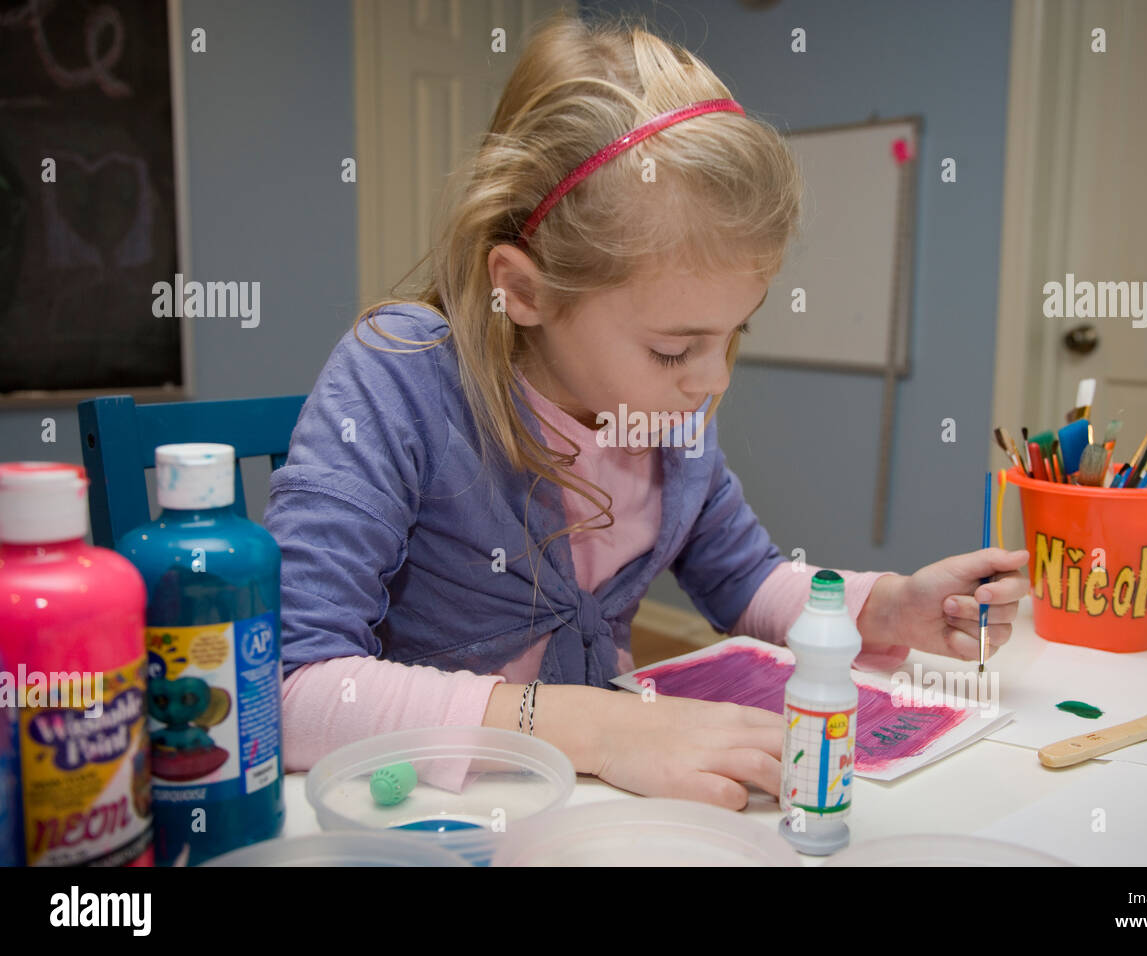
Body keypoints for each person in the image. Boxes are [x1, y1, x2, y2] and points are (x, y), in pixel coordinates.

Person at [264, 12, 1029, 810]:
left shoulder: (669, 415)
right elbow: (286, 685)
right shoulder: (403, 379)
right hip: (428, 813)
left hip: (596, 803)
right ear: (523, 290)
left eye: (734, 336)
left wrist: (883, 608)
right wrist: (595, 727)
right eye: (674, 349)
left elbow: (746, 579)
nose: (710, 382)